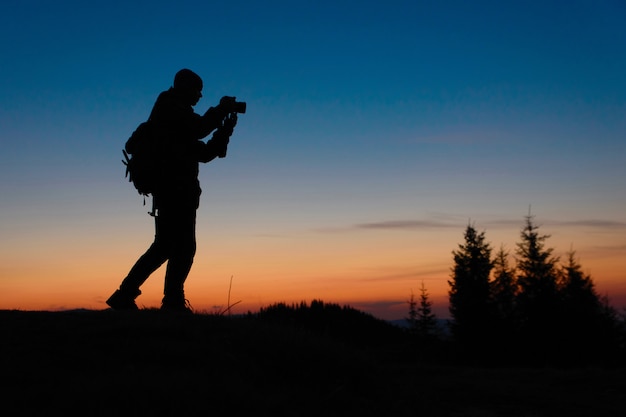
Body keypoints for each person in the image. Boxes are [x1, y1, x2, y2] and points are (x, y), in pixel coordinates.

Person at [106, 69, 241, 312]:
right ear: (184, 88)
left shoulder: (176, 118)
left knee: (165, 246)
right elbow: (199, 129)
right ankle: (171, 302)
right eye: (197, 90)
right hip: (174, 190)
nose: (200, 96)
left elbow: (205, 153)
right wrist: (221, 109)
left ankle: (129, 295)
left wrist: (225, 130)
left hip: (176, 190)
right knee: (182, 247)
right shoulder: (169, 109)